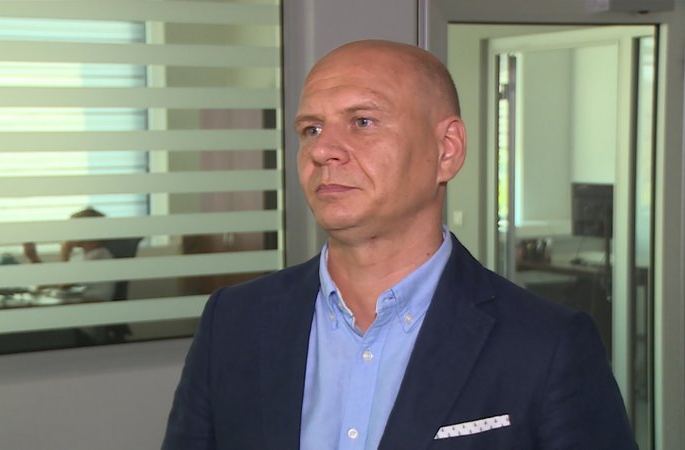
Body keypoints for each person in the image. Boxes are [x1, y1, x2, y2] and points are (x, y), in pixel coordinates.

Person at [162, 40, 637, 449]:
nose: (322, 150)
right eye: (311, 129)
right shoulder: (235, 322)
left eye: (363, 122)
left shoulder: (545, 344)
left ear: (447, 150)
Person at [23, 206, 116, 302]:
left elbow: (65, 285)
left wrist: (65, 251)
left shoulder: (99, 256)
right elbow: (56, 281)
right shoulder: (79, 256)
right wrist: (34, 258)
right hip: (76, 301)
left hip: (92, 305)